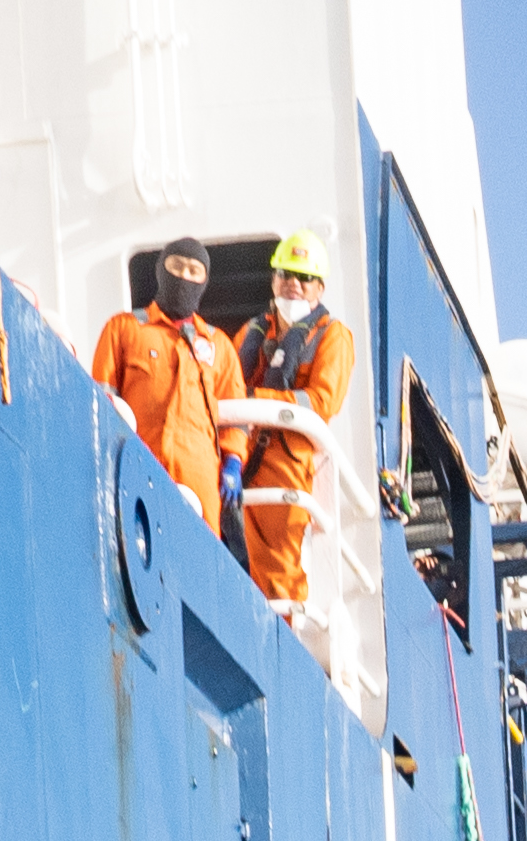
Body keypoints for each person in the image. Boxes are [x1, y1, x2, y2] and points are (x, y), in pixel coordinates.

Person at [218, 229, 353, 614]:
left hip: (286, 468)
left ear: (319, 288)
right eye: (285, 274)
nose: (294, 284)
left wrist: (259, 399)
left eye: (304, 278)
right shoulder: (251, 332)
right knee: (225, 558)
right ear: (273, 279)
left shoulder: (332, 337)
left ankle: (280, 646)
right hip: (236, 459)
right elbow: (226, 382)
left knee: (278, 576)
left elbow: (322, 402)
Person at [90, 230, 234, 533]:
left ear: (204, 281)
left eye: (194, 271)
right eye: (177, 266)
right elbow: (102, 399)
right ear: (161, 270)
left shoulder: (218, 345)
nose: (184, 275)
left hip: (200, 476)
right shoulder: (124, 329)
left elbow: (235, 417)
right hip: (139, 463)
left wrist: (234, 461)